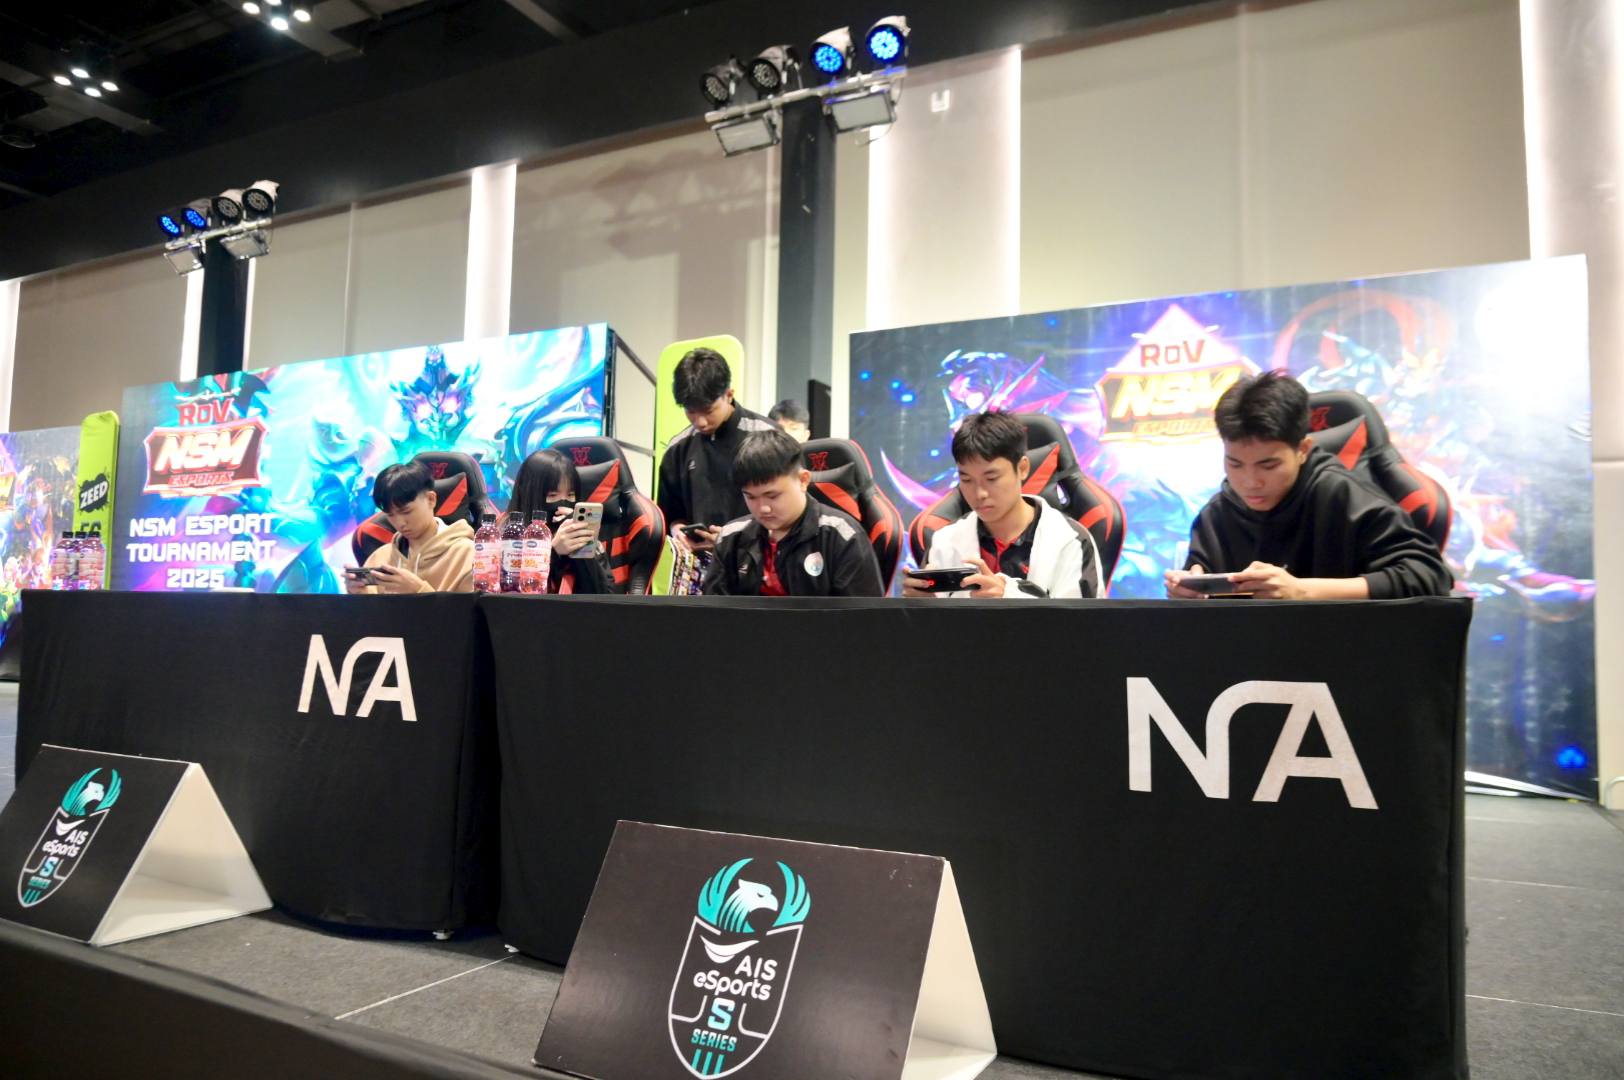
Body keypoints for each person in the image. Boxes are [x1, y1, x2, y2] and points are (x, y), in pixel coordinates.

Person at [1164, 370, 1452, 600]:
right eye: (1235, 464)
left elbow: (1430, 575)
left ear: (1303, 450)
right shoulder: (1218, 514)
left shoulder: (1343, 495)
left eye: (1268, 465)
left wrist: (1303, 590)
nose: (1250, 482)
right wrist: (1189, 590)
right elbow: (1200, 580)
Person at [903, 411, 1101, 599]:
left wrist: (1008, 596)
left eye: (991, 478)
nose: (979, 493)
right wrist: (921, 606)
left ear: (1022, 468)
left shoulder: (1070, 540)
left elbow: (1081, 621)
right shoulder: (944, 541)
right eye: (967, 480)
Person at [702, 428, 884, 597]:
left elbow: (863, 617)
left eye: (772, 496)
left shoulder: (843, 538)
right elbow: (715, 613)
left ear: (803, 480)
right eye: (751, 497)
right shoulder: (731, 538)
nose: (763, 508)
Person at [657, 347, 776, 556]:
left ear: (729, 395)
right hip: (699, 565)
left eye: (708, 411)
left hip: (757, 561)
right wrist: (677, 530)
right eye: (690, 412)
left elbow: (788, 511)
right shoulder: (678, 449)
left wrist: (734, 537)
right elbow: (670, 515)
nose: (700, 422)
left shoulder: (769, 438)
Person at [347, 461, 475, 594]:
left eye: (406, 512)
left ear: (431, 499)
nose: (400, 523)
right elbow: (369, 607)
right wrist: (358, 593)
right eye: (390, 515)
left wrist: (419, 591)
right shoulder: (380, 557)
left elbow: (471, 608)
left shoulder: (466, 555)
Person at [508, 448, 613, 594]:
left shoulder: (586, 535)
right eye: (552, 495)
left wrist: (582, 549)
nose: (563, 503)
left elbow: (604, 597)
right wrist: (553, 552)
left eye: (570, 495)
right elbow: (512, 596)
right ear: (529, 495)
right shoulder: (510, 535)